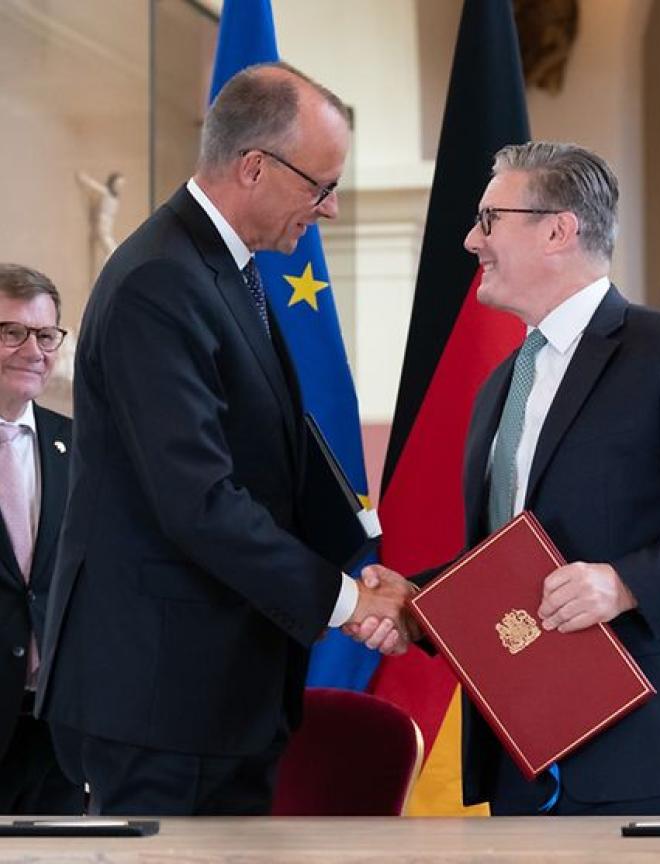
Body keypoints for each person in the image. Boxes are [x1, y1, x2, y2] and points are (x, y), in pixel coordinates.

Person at [354, 142, 660, 815]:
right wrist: (419, 604)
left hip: (652, 752)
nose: (471, 238)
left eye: (489, 219)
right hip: (523, 749)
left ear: (558, 229)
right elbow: (515, 552)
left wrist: (624, 584)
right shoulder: (503, 383)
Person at [37, 63, 413, 817]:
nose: (329, 210)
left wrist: (368, 574)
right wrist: (347, 601)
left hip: (213, 694)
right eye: (321, 185)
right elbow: (199, 501)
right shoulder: (160, 282)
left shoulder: (219, 270)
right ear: (253, 167)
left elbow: (269, 459)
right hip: (161, 698)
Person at [0, 264, 83, 814]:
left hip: (57, 725)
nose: (34, 350)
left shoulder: (78, 445)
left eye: (46, 334)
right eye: (12, 332)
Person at [75, 171, 125, 263]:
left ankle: (105, 269)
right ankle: (105, 270)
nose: (119, 187)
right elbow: (94, 185)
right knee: (113, 251)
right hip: (103, 226)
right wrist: (83, 178)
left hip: (108, 226)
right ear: (112, 183)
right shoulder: (106, 192)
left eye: (121, 185)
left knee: (112, 251)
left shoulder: (115, 197)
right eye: (118, 184)